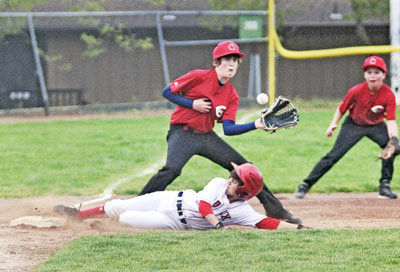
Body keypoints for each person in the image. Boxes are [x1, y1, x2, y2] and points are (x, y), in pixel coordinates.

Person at [138, 40, 301, 224]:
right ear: (217, 62)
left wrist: (256, 124)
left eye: (235, 60)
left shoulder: (231, 95)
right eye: (227, 59)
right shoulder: (199, 76)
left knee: (246, 169)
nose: (232, 64)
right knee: (172, 169)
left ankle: (276, 211)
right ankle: (138, 203)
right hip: (182, 133)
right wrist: (193, 104)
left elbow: (228, 129)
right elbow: (167, 92)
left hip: (207, 136)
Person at [54, 163, 310, 230]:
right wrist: (216, 224)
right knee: (119, 206)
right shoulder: (219, 183)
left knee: (126, 219)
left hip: (173, 223)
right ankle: (79, 215)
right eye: (234, 175)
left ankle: (104, 221)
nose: (231, 178)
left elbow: (266, 223)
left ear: (244, 191)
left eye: (237, 179)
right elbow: (203, 205)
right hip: (169, 199)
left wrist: (300, 228)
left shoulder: (242, 211)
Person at [294, 56, 398, 199]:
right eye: (369, 72)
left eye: (377, 72)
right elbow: (342, 108)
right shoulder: (356, 91)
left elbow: (391, 120)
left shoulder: (389, 95)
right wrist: (333, 123)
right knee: (334, 155)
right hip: (354, 124)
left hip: (376, 125)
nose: (372, 76)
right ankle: (305, 185)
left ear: (384, 75)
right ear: (365, 75)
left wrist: (394, 139)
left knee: (391, 148)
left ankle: (384, 186)